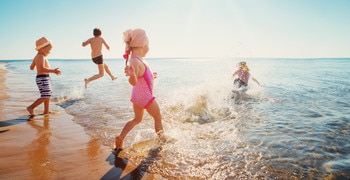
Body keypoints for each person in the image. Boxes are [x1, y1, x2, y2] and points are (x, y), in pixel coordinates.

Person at [115, 28, 165, 150]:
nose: (148, 47)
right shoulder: (135, 61)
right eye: (148, 45)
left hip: (137, 97)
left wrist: (151, 76)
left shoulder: (136, 60)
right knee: (158, 117)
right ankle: (162, 140)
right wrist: (132, 75)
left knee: (137, 119)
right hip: (145, 96)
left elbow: (142, 76)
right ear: (143, 45)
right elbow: (133, 81)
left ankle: (121, 137)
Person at [27, 37, 61, 116]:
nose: (50, 52)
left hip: (43, 78)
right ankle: (31, 107)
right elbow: (42, 68)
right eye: (49, 49)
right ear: (43, 48)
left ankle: (46, 111)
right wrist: (53, 71)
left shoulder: (37, 56)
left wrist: (36, 64)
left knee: (47, 95)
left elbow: (31, 68)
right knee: (46, 95)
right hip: (42, 78)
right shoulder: (41, 56)